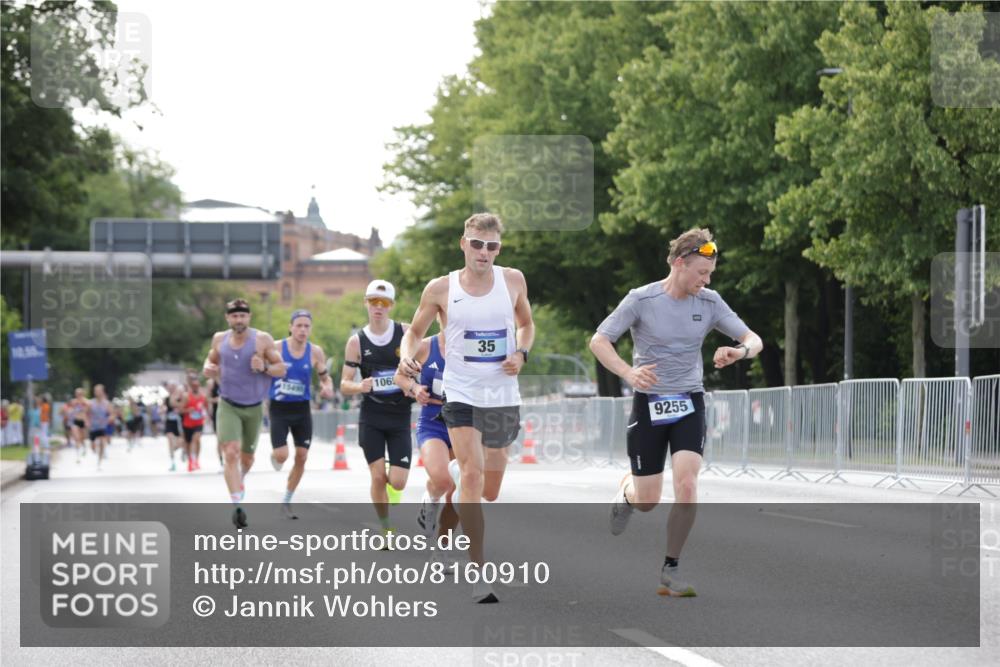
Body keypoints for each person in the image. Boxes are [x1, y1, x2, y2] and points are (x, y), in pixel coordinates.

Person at [590, 228, 763, 597]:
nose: (707, 280)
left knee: (687, 484)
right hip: (649, 403)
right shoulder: (641, 299)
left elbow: (754, 339)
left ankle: (671, 569)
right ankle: (628, 493)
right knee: (648, 500)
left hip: (689, 400)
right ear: (680, 263)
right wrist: (628, 373)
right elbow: (599, 340)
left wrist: (739, 352)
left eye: (710, 273)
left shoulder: (710, 302)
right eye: (702, 272)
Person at [398, 212, 534, 604]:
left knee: (489, 490)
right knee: (473, 479)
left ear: (498, 249)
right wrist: (407, 355)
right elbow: (414, 332)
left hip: (502, 395)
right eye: (477, 244)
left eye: (491, 246)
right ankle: (478, 573)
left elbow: (526, 325)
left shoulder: (513, 280)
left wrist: (521, 353)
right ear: (464, 244)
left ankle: (458, 472)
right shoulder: (441, 288)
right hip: (461, 395)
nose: (483, 252)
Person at [340, 280, 415, 539]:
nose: (378, 307)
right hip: (371, 416)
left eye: (384, 302)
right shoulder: (356, 342)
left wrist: (414, 383)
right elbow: (344, 384)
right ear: (366, 304)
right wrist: (360, 386)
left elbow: (422, 363)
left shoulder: (406, 333)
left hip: (400, 415)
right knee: (377, 476)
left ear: (391, 305)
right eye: (373, 302)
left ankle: (394, 487)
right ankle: (385, 527)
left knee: (398, 481)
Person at [202, 298, 286, 528]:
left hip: (254, 407)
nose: (238, 320)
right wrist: (208, 368)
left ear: (249, 317)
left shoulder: (262, 339)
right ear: (227, 318)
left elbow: (281, 369)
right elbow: (210, 361)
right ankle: (237, 504)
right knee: (230, 452)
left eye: (242, 315)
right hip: (228, 404)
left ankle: (239, 479)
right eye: (234, 316)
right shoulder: (219, 339)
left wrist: (265, 367)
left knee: (247, 459)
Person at [393, 320, 459, 544]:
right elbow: (399, 376)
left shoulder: (470, 349)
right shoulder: (424, 347)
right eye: (447, 315)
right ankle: (430, 499)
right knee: (443, 480)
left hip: (463, 422)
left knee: (458, 489)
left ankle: (443, 546)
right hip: (432, 421)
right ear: (439, 317)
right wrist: (414, 388)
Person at [268, 309, 335, 519]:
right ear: (290, 327)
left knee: (302, 456)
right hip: (279, 408)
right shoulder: (277, 347)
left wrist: (327, 387)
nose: (303, 330)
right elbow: (262, 369)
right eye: (299, 325)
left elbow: (325, 377)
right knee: (282, 455)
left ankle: (287, 501)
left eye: (307, 326)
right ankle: (275, 455)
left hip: (302, 409)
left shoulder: (315, 352)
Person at [179, 374, 208, 472]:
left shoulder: (203, 396)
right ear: (191, 386)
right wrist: (188, 410)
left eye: (197, 385)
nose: (196, 387)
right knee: (188, 443)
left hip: (199, 422)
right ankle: (190, 461)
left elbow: (206, 408)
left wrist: (206, 416)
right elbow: (180, 410)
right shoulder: (186, 396)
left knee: (196, 440)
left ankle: (196, 460)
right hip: (187, 423)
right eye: (194, 386)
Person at [86, 385, 112, 471]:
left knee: (102, 444)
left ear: (102, 392)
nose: (98, 392)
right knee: (93, 447)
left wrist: (109, 419)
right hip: (93, 427)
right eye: (96, 391)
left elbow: (112, 414)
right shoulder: (90, 403)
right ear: (94, 392)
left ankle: (99, 463)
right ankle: (94, 449)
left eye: (99, 391)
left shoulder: (106, 403)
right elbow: (86, 413)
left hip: (102, 427)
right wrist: (87, 421)